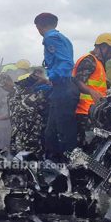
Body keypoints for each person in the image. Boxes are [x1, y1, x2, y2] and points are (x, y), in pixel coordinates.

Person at [34, 12, 76, 161]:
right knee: (51, 133)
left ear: (39, 27)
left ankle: (69, 166)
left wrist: (49, 78)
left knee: (62, 134)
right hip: (61, 89)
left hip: (63, 89)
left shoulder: (50, 38)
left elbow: (66, 64)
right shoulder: (64, 38)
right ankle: (55, 164)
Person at [72, 33, 111, 146]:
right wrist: (91, 91)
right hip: (84, 112)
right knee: (87, 145)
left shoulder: (98, 63)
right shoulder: (89, 60)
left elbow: (100, 85)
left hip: (94, 112)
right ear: (103, 47)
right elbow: (77, 81)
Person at [0, 72, 48, 158]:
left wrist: (46, 81)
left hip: (32, 129)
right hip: (18, 132)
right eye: (2, 87)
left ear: (9, 81)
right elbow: (11, 114)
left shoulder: (23, 88)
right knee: (18, 154)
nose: (4, 88)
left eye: (5, 85)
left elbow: (40, 81)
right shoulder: (9, 97)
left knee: (34, 154)